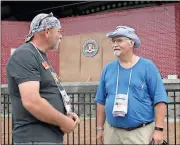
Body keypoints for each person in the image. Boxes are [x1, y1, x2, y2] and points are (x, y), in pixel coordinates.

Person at [6, 12, 80, 145]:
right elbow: (32, 101)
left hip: (46, 138)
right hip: (34, 138)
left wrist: (65, 115)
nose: (61, 36)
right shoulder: (25, 55)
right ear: (47, 32)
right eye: (59, 31)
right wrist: (64, 122)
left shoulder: (39, 56)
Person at [95, 26, 168, 144]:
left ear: (131, 43)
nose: (114, 44)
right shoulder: (108, 69)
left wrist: (158, 129)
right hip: (112, 133)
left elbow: (159, 100)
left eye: (119, 40)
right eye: (113, 41)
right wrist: (99, 129)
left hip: (140, 133)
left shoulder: (148, 66)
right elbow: (101, 102)